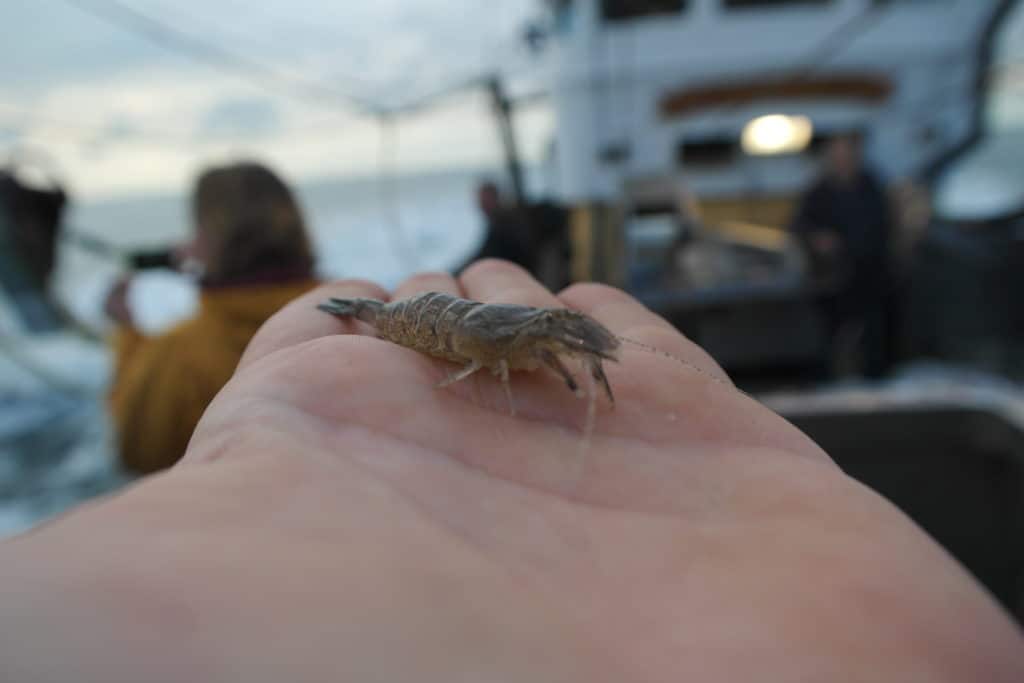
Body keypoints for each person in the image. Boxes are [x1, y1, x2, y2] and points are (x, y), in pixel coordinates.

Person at [1, 260, 1020, 681]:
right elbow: (487, 347)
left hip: (455, 328)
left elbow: (552, 341)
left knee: (545, 328)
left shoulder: (541, 338)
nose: (564, 351)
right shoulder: (457, 340)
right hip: (429, 329)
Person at [104, 161, 318, 474]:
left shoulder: (177, 357)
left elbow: (137, 449)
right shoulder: (348, 314)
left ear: (211, 239)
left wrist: (125, 332)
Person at [791, 132, 893, 378]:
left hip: (871, 274)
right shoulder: (818, 192)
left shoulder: (871, 187)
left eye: (846, 155)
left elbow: (884, 224)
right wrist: (818, 240)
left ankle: (875, 374)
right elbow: (800, 226)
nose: (841, 161)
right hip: (832, 278)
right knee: (829, 333)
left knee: (874, 332)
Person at [471, 180, 535, 271]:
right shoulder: (501, 221)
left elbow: (487, 254)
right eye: (480, 201)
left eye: (485, 200)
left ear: (496, 198)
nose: (481, 205)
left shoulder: (503, 224)